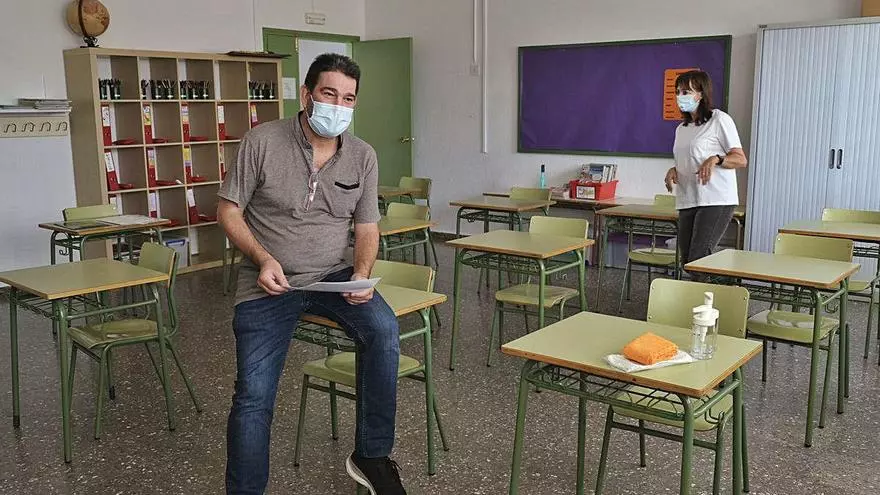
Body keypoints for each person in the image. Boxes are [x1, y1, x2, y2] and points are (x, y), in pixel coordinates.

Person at [218, 53, 407, 495]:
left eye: (348, 98)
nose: (338, 106)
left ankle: (371, 455)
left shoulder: (362, 156)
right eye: (329, 94)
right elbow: (228, 210)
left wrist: (361, 273)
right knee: (253, 394)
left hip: (334, 276)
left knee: (383, 330)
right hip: (268, 282)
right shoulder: (262, 141)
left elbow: (367, 227)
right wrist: (263, 259)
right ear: (307, 95)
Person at [664, 70, 748, 279]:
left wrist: (716, 159)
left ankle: (713, 297)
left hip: (715, 199)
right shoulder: (682, 128)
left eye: (686, 92)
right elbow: (687, 160)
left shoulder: (719, 119)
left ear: (701, 94)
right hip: (688, 198)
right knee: (688, 262)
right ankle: (721, 289)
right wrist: (674, 169)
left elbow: (740, 159)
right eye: (678, 92)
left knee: (699, 258)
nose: (680, 96)